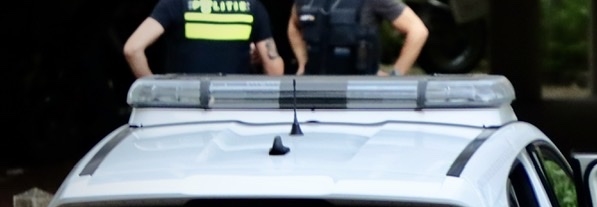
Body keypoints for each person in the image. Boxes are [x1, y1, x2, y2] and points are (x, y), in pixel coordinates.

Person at [124, 0, 284, 78]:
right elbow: (274, 68)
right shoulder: (252, 7)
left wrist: (155, 92)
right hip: (234, 107)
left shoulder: (175, 3)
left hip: (183, 108)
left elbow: (133, 49)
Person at [288, 0, 429, 76]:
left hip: (359, 90)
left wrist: (395, 75)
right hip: (313, 87)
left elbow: (418, 31)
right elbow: (293, 27)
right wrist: (303, 63)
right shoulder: (306, 2)